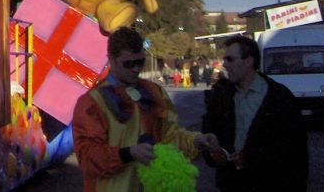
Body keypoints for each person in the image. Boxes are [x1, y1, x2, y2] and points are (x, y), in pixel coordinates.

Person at [73, 27, 217, 192]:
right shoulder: (91, 103)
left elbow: (170, 137)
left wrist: (196, 140)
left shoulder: (155, 92)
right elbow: (87, 158)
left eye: (140, 62)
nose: (136, 69)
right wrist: (127, 154)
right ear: (111, 60)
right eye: (128, 64)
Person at [202, 35, 308, 191]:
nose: (224, 65)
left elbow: (294, 149)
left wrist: (254, 157)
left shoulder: (279, 97)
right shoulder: (221, 96)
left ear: (248, 61)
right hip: (231, 183)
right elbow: (210, 132)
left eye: (230, 59)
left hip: (270, 183)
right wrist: (216, 153)